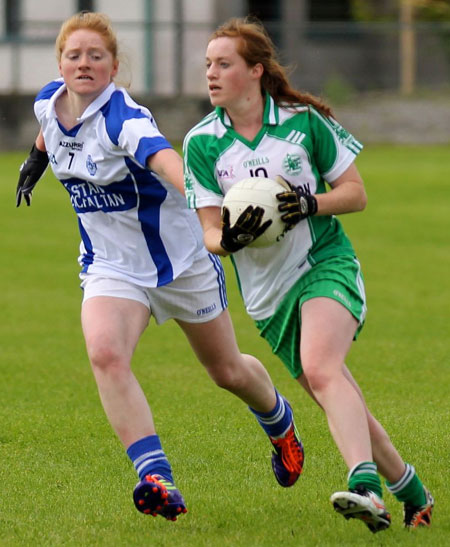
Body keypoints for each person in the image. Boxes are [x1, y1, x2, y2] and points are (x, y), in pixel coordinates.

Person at [15, 11, 305, 522]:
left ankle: (280, 423)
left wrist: (216, 215)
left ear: (114, 66)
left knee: (226, 370)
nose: (84, 63)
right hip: (110, 267)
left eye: (96, 56)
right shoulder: (48, 101)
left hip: (182, 262)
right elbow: (49, 132)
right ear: (60, 63)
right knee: (106, 354)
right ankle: (156, 478)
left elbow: (167, 162)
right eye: (74, 55)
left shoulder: (123, 119)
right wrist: (35, 164)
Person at [183, 16, 434, 533]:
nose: (210, 73)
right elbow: (210, 231)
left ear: (255, 71)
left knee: (321, 368)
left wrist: (306, 202)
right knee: (336, 393)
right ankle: (413, 494)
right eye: (208, 64)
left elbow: (356, 193)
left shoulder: (302, 122)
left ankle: (364, 487)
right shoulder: (202, 143)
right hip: (267, 298)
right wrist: (226, 240)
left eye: (223, 63)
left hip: (324, 263)